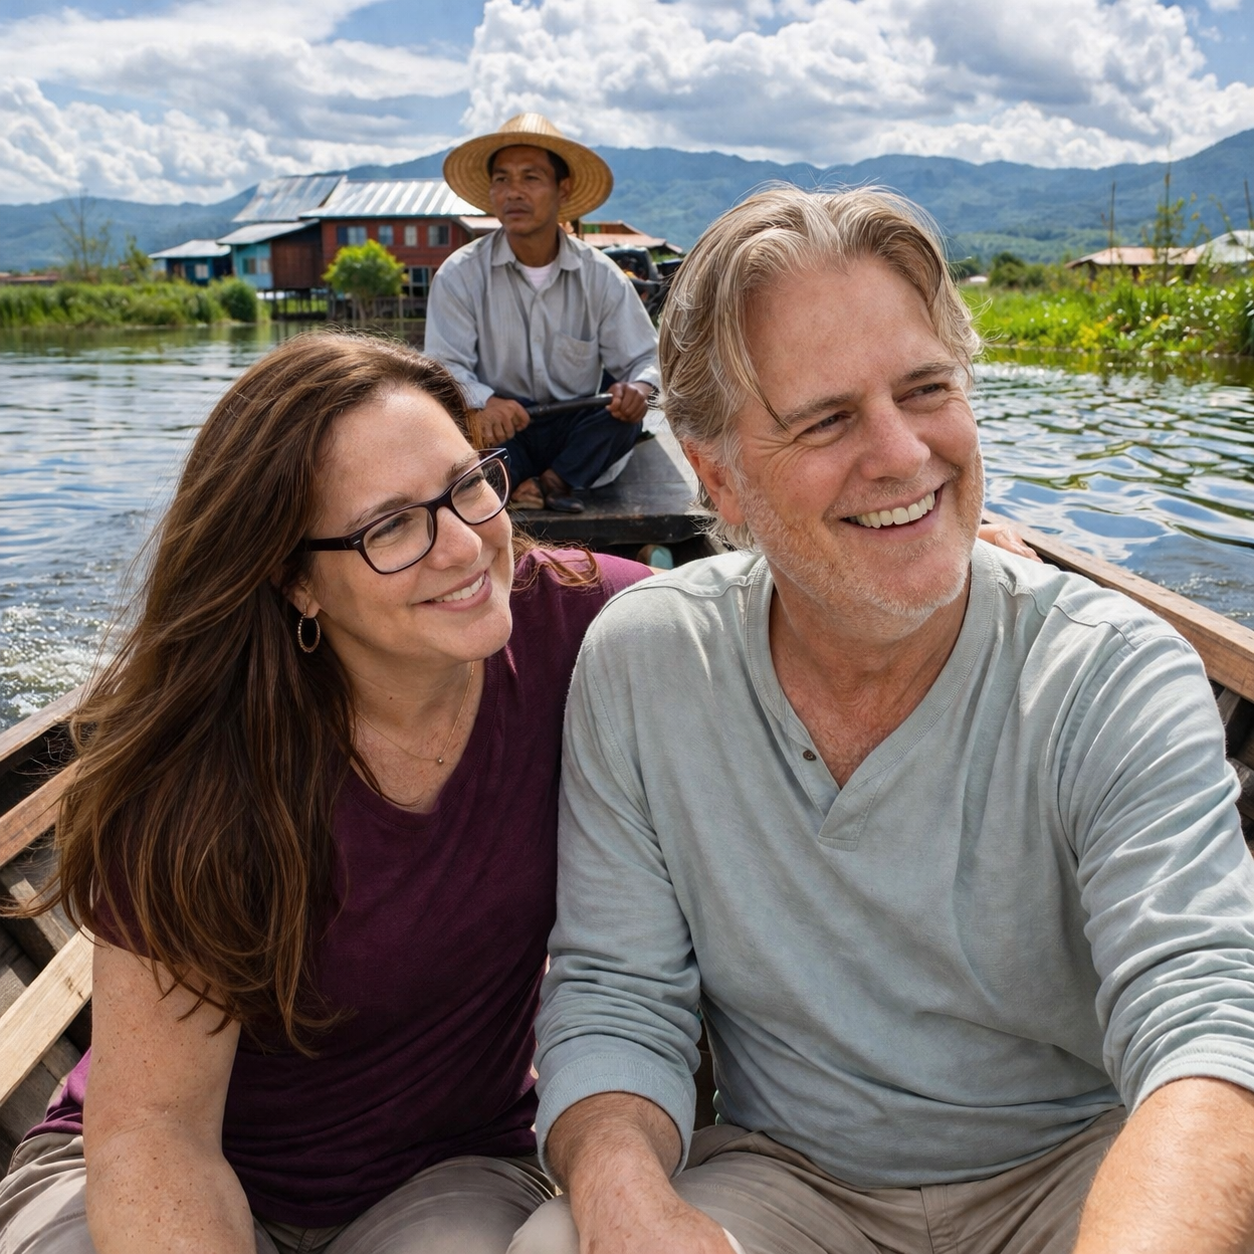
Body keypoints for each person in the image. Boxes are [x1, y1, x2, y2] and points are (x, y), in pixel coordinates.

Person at [513, 187, 1254, 1254]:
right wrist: (628, 1203)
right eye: (826, 420)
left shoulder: (1110, 672)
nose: (904, 456)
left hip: (1082, 1170)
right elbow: (618, 997)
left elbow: (1203, 1017)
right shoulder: (647, 662)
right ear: (715, 473)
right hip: (791, 1184)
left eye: (927, 389)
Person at [0, 331, 649, 1254]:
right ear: (295, 581)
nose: (465, 546)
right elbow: (157, 1134)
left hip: (450, 1169)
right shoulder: (201, 769)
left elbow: (774, 620)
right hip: (158, 1159)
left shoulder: (589, 628)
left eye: (468, 482)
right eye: (390, 527)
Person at [427, 112, 660, 514]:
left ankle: (550, 482)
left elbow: (645, 358)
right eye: (502, 179)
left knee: (622, 419)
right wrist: (485, 402)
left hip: (574, 424)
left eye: (530, 178)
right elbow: (444, 368)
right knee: (463, 425)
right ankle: (521, 480)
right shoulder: (460, 274)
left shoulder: (598, 274)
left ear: (562, 189)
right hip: (503, 427)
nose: (513, 192)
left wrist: (636, 390)